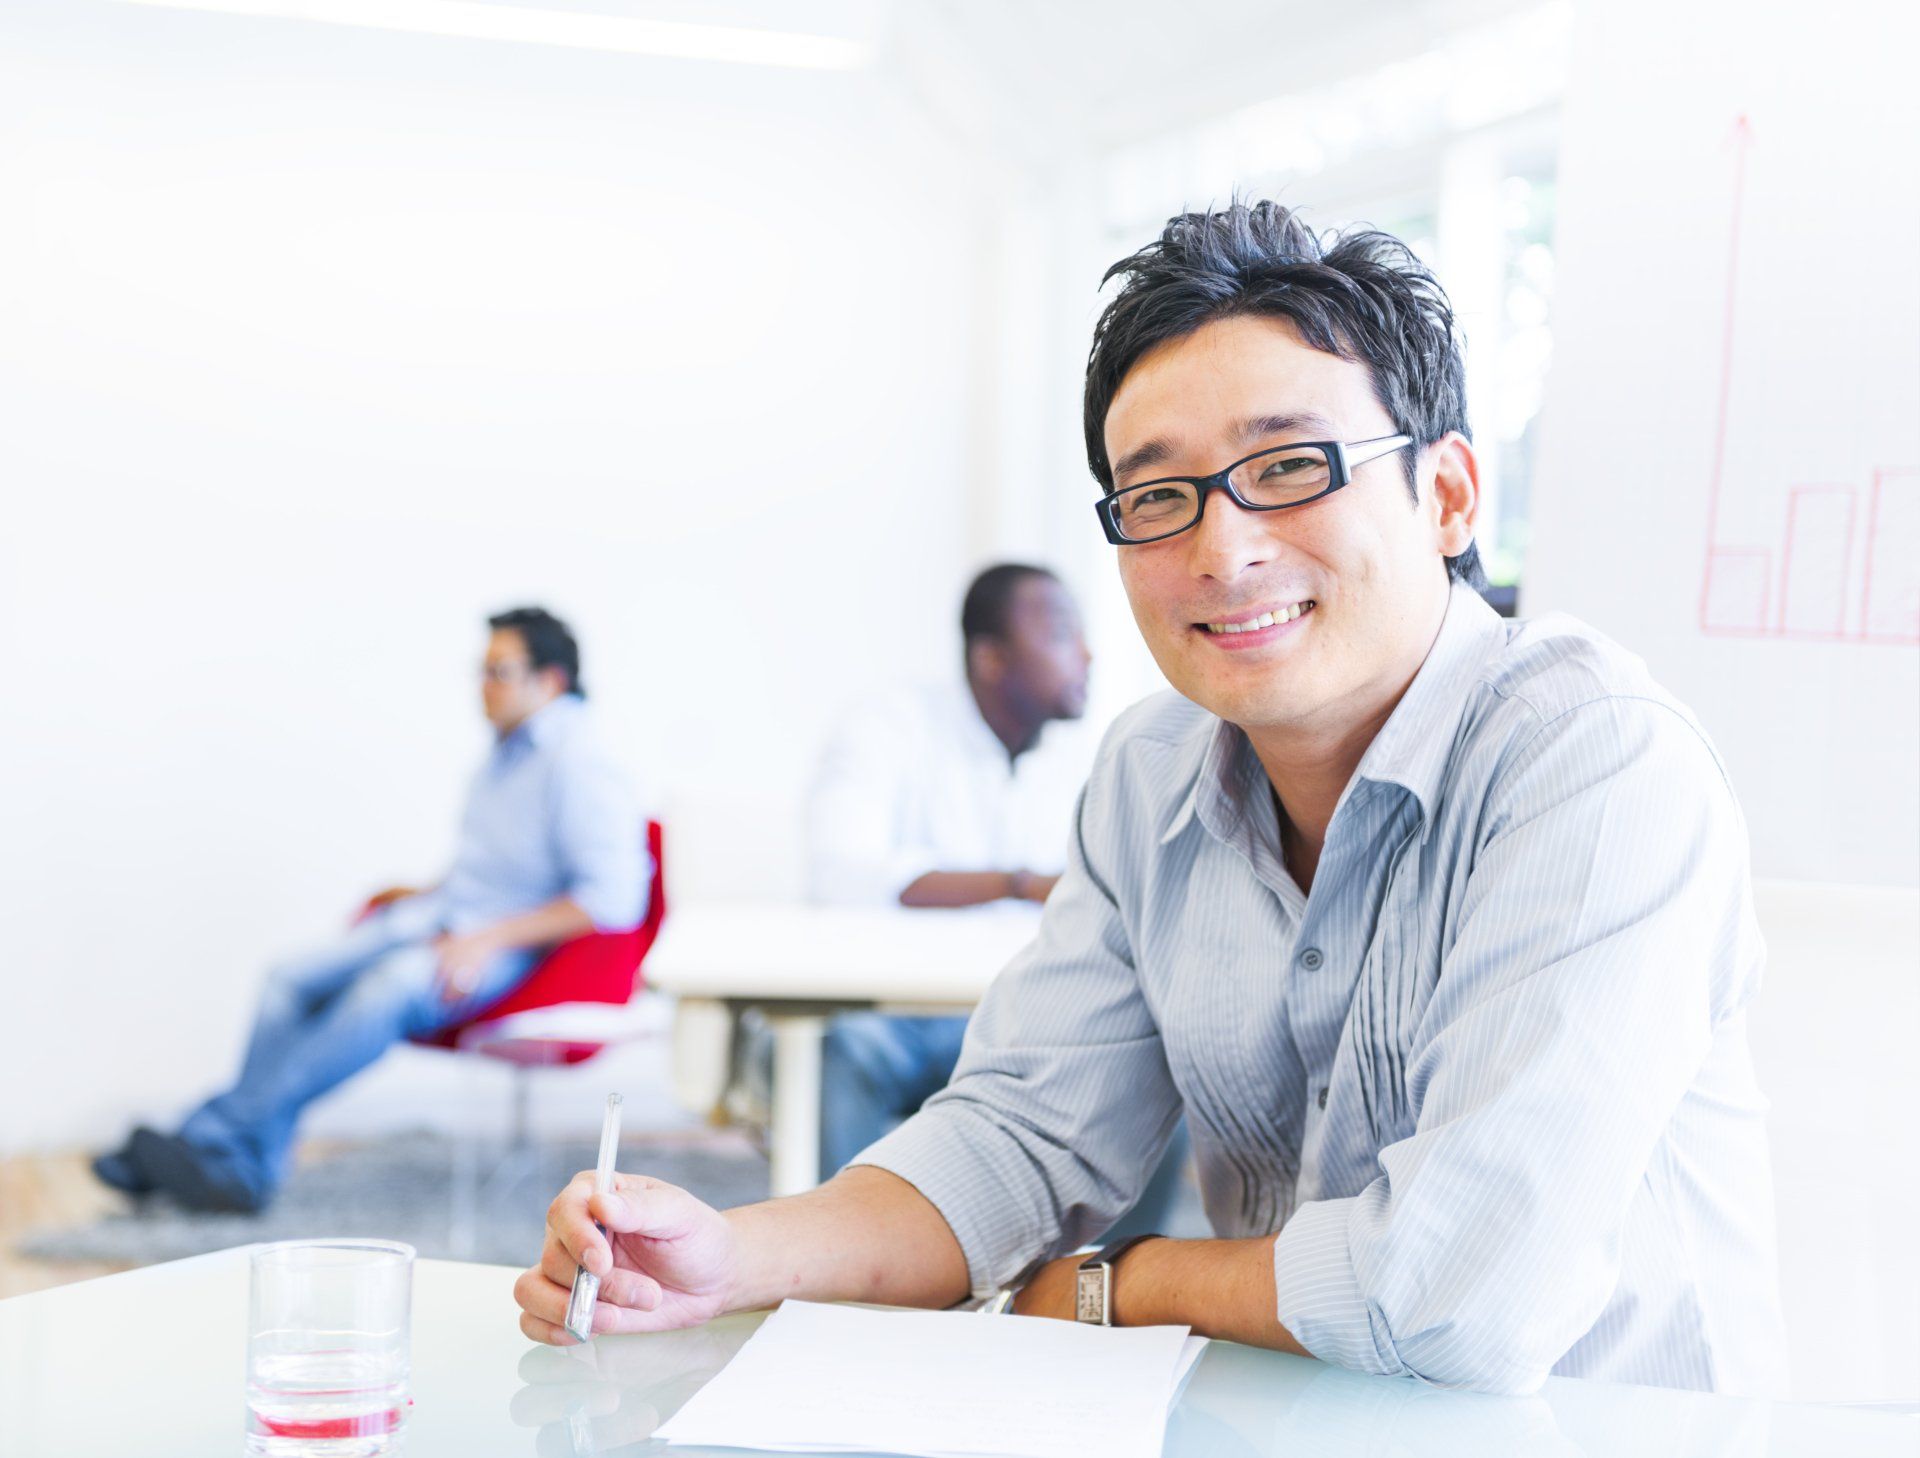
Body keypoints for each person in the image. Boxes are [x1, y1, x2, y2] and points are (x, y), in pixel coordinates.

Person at [514, 203, 1786, 1396]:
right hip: (1287, 1417)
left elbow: (1463, 1293)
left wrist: (1124, 1285)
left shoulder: (1595, 764)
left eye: (1288, 467)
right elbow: (1017, 1139)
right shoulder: (1150, 772)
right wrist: (732, 1257)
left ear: (1448, 493)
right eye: (1160, 495)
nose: (1222, 550)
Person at [95, 606, 647, 1213]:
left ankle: (210, 1135)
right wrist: (422, 890)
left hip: (507, 946)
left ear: (551, 681)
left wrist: (487, 940)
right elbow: (498, 865)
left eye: (500, 671)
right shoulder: (506, 752)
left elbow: (613, 900)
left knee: (386, 990)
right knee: (287, 975)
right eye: (482, 669)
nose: (482, 686)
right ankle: (248, 1167)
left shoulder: (583, 760)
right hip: (443, 914)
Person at [804, 563, 1093, 1178]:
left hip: (1030, 1018)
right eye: (1061, 635)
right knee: (843, 1052)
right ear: (991, 659)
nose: (1086, 655)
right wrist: (1018, 884)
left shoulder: (1097, 753)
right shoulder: (889, 725)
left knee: (1153, 1065)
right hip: (898, 1015)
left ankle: (1103, 1270)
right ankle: (841, 1266)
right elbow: (843, 874)